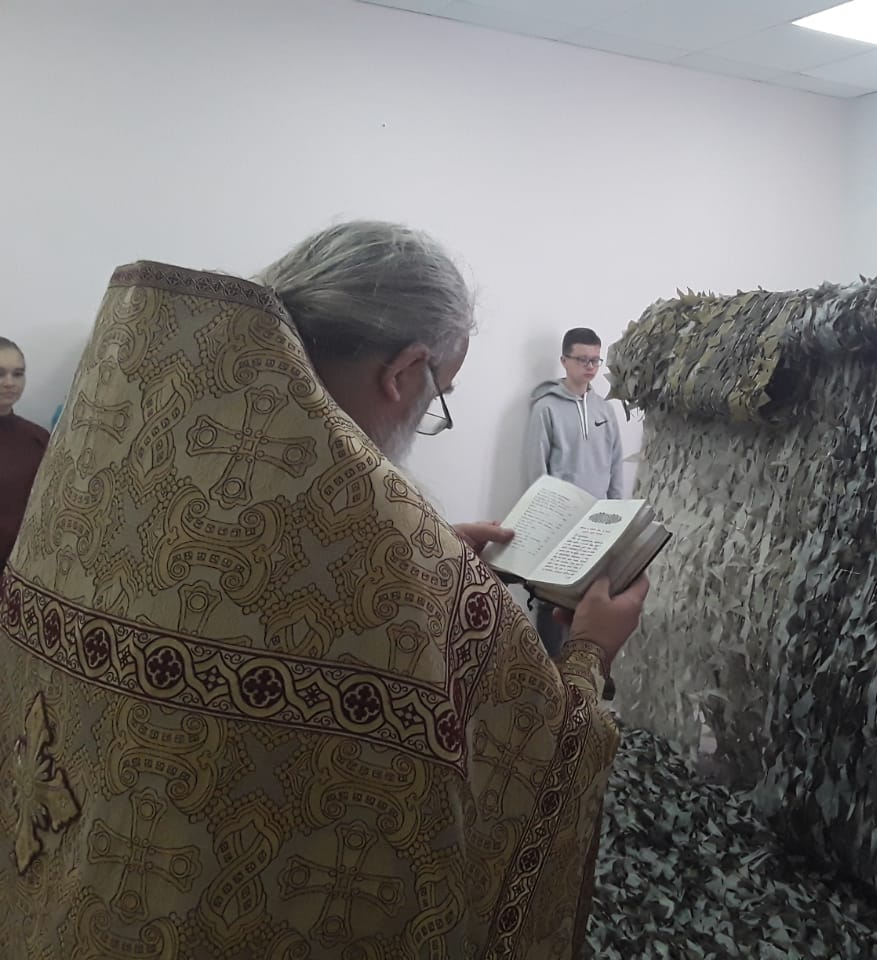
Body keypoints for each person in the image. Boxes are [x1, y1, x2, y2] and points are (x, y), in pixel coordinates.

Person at [0, 222, 647, 959]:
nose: (427, 418)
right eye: (440, 396)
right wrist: (590, 649)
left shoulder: (119, 457)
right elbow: (531, 766)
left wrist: (422, 554)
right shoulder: (394, 557)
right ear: (405, 371)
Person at [524, 329, 624, 659]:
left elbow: (615, 466)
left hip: (597, 525)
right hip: (558, 526)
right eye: (582, 359)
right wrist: (543, 521)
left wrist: (617, 517)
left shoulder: (605, 410)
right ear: (564, 361)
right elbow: (536, 471)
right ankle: (548, 672)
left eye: (595, 360)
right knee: (552, 603)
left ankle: (582, 670)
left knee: (590, 603)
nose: (590, 366)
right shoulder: (546, 408)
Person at [0, 337, 49, 570]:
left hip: (21, 571)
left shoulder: (38, 438)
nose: (10, 383)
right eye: (0, 373)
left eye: (18, 374)